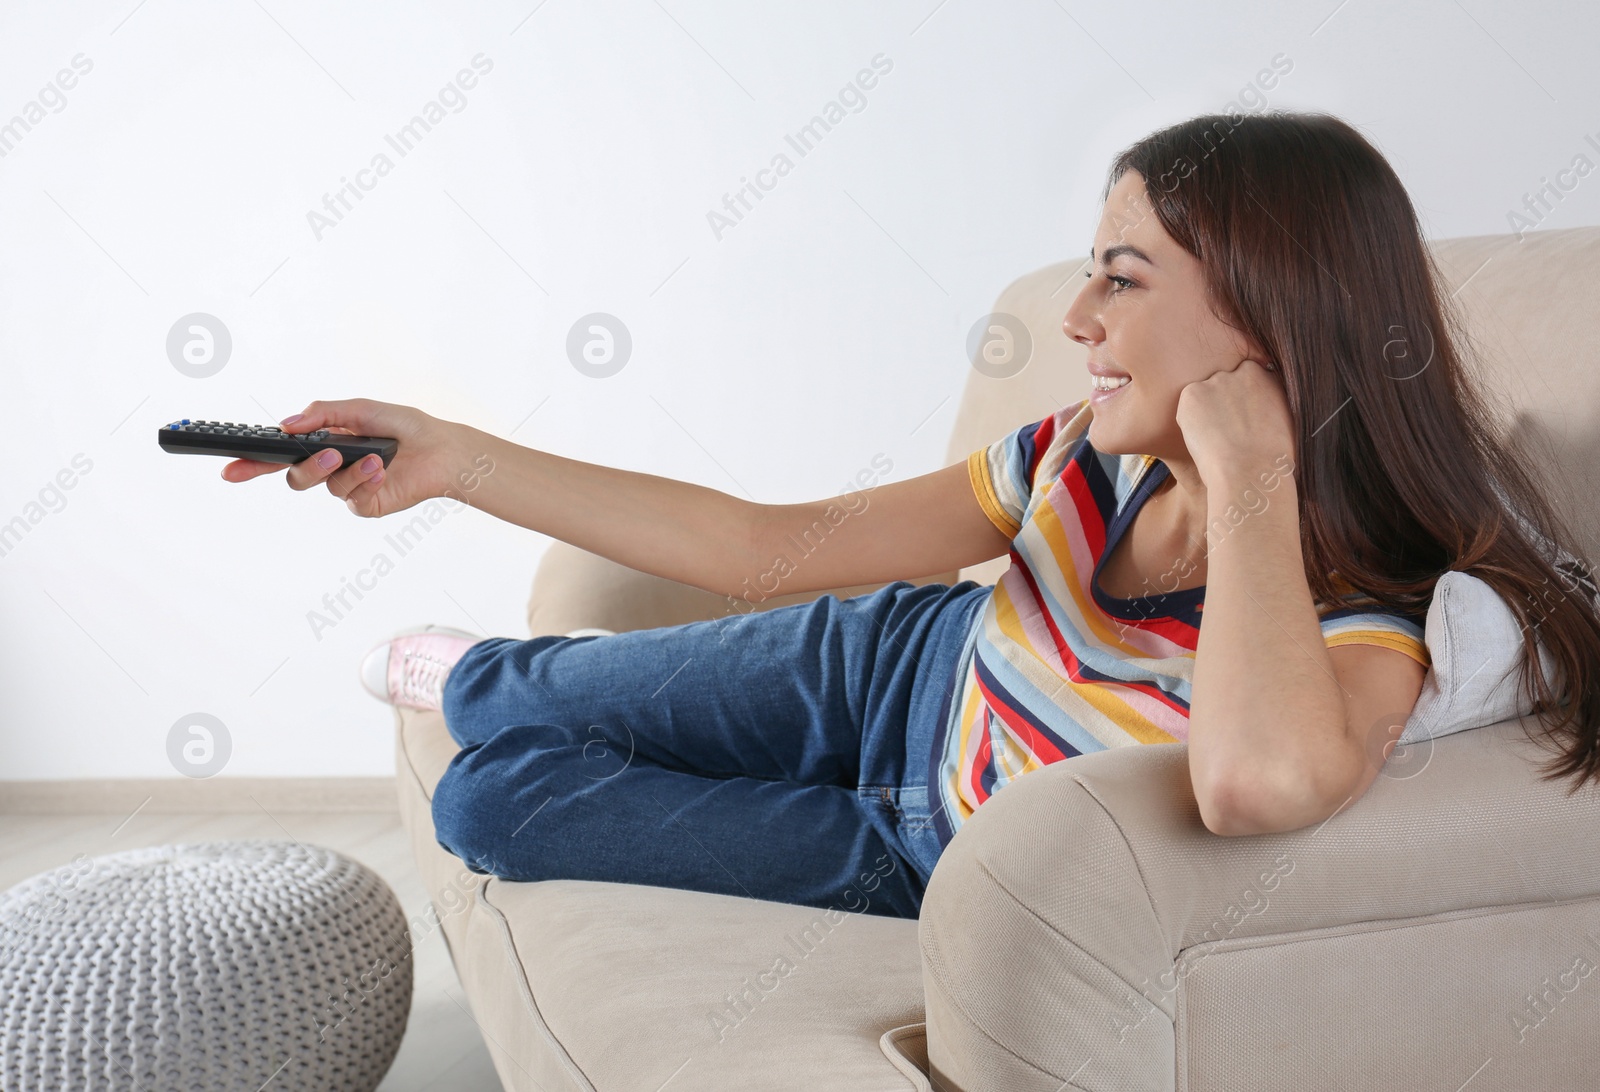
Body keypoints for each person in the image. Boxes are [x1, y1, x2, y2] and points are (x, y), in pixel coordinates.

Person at [222, 110, 1600, 920]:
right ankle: (490, 670)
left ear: (1268, 312)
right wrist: (454, 458)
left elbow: (1258, 786)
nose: (1077, 321)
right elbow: (762, 549)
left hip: (923, 844)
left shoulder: (1378, 613)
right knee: (505, 699)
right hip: (893, 665)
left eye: (1120, 279)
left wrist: (1245, 474)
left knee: (491, 795)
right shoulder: (1077, 458)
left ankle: (499, 696)